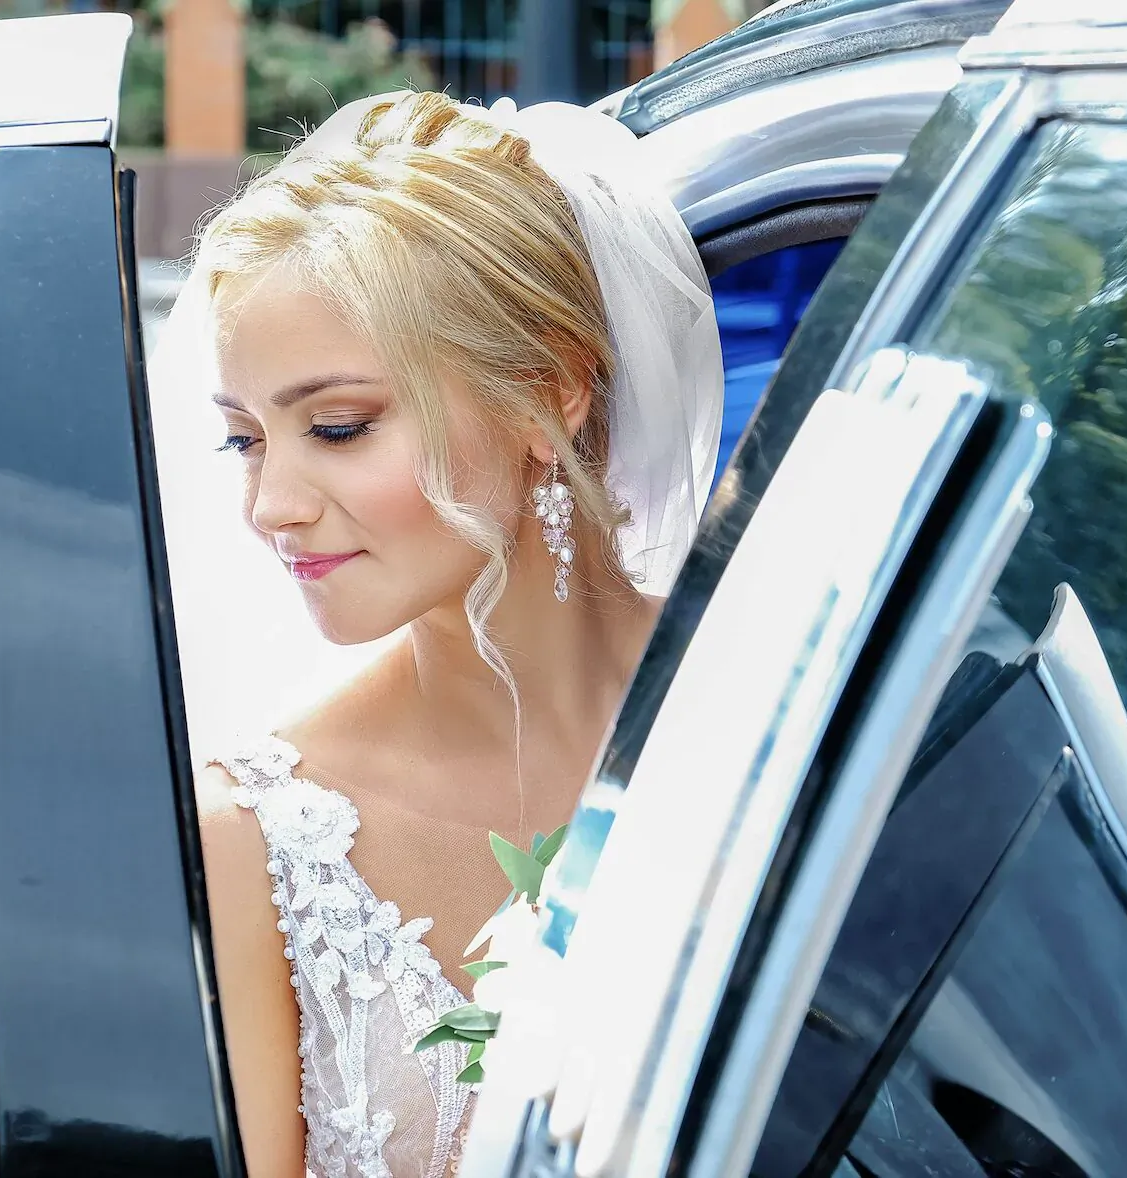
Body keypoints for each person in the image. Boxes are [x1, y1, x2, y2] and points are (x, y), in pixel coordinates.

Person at [167, 90, 722, 1178]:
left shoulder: (780, 704)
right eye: (243, 439)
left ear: (545, 395)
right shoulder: (255, 838)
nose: (270, 502)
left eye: (336, 427)